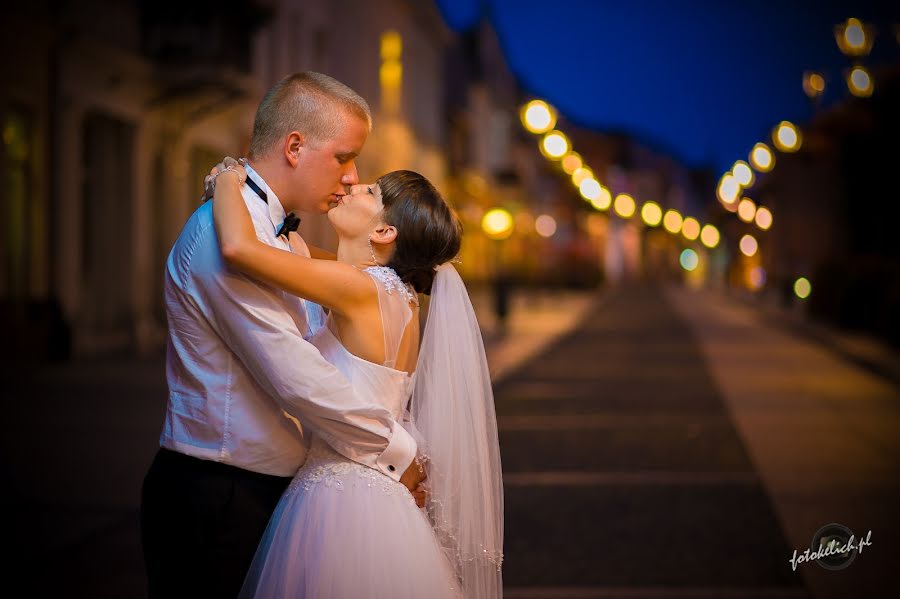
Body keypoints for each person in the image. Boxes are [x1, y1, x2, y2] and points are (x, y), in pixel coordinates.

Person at [140, 72, 427, 598]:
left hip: (274, 492)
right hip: (219, 491)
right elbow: (297, 376)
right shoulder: (221, 232)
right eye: (344, 157)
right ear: (295, 146)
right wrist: (395, 453)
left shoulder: (281, 241)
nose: (350, 176)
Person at [206, 158, 504, 598]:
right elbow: (295, 252)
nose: (354, 185)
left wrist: (229, 178)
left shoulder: (362, 289)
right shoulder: (388, 292)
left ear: (384, 233)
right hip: (376, 492)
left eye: (370, 193)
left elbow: (240, 250)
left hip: (342, 499)